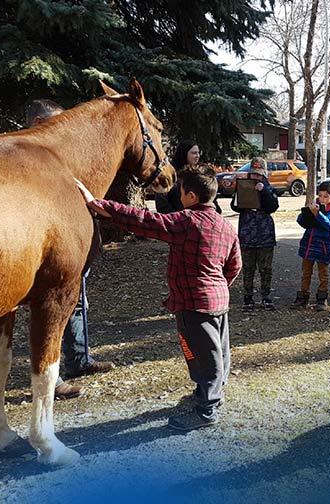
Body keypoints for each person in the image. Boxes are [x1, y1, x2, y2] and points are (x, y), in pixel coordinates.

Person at [77, 165, 242, 431]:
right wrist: (219, 287)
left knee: (204, 357)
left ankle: (206, 410)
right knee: (219, 352)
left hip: (193, 304)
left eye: (181, 191)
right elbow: (235, 265)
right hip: (218, 301)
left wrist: (98, 204)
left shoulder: (187, 221)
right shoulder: (225, 225)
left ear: (190, 196)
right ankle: (207, 395)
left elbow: (144, 221)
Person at [26, 99, 114, 400]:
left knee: (75, 303)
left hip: (68, 253)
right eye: (55, 125)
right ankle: (53, 376)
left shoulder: (58, 163)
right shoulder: (23, 162)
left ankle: (78, 358)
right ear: (39, 124)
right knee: (48, 312)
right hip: (35, 259)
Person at [230, 157, 279, 311]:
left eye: (259, 174)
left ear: (264, 175)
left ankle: (266, 297)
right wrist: (238, 194)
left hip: (265, 237)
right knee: (248, 269)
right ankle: (248, 297)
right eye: (253, 174)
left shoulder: (269, 189)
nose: (256, 177)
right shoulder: (244, 186)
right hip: (247, 235)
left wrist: (263, 191)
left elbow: (272, 207)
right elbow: (235, 207)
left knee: (265, 269)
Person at [291, 181, 330, 311]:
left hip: (323, 247)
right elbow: (300, 220)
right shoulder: (316, 205)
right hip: (308, 245)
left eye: (326, 196)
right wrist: (307, 212)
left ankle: (322, 297)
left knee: (323, 274)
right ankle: (303, 295)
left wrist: (318, 214)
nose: (323, 199)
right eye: (320, 196)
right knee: (306, 272)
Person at [156, 141, 222, 214]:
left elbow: (210, 198)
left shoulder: (202, 173)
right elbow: (162, 204)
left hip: (202, 219)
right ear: (184, 154)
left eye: (198, 152)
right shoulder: (170, 173)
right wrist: (179, 218)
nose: (197, 156)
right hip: (175, 220)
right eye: (194, 153)